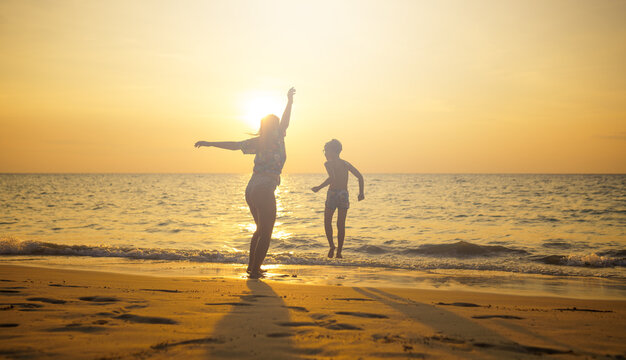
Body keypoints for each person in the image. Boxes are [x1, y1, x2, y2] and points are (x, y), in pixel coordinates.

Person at [195, 87, 295, 278]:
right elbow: (286, 121)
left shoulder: (259, 141)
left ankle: (252, 267)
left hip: (251, 189)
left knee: (259, 229)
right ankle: (255, 270)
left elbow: (234, 145)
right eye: (278, 125)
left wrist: (209, 143)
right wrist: (289, 101)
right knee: (266, 232)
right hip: (264, 188)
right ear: (276, 127)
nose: (281, 127)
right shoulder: (277, 138)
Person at [311, 139, 364, 258]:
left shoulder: (328, 164)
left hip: (333, 194)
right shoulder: (346, 163)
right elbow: (360, 177)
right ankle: (339, 252)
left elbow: (332, 178)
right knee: (341, 224)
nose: (325, 153)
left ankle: (332, 246)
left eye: (326, 151)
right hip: (344, 194)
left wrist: (319, 187)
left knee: (327, 221)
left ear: (333, 151)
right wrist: (361, 193)